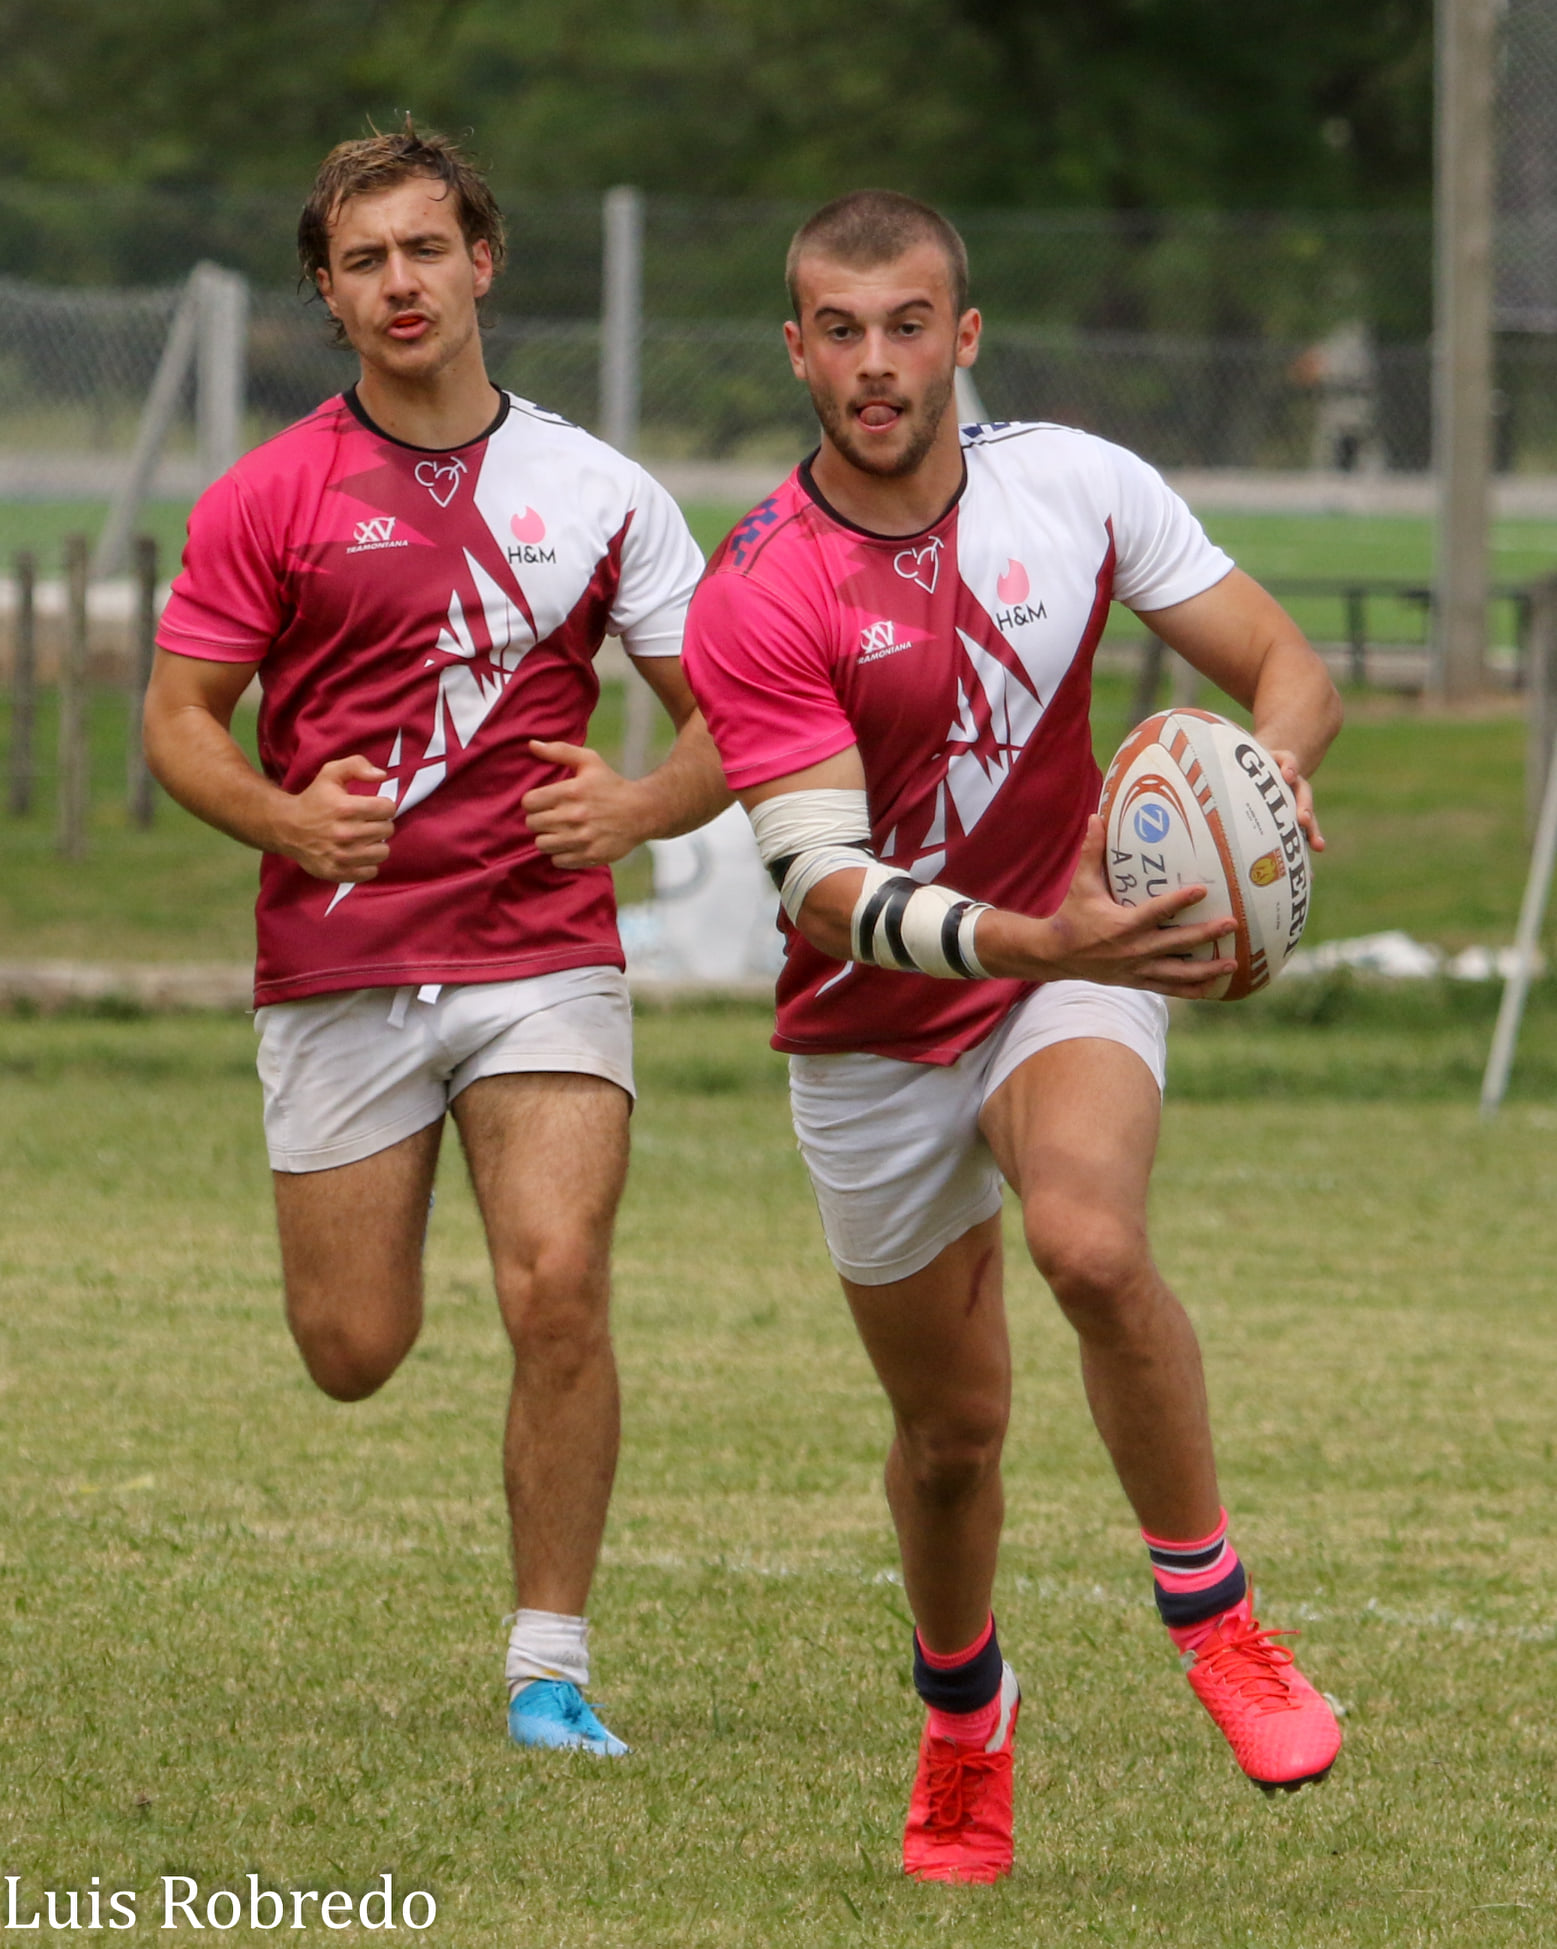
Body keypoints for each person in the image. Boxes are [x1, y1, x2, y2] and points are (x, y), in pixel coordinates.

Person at [681, 190, 1345, 1883]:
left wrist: (1266, 792)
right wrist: (1019, 930)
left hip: (1078, 950)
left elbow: (1279, 660)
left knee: (1092, 1242)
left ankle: (1215, 1615)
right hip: (872, 1021)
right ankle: (964, 1712)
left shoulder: (1081, 485)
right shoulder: (759, 591)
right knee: (952, 1434)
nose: (877, 361)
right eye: (840, 329)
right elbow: (823, 884)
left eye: (909, 324)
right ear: (797, 348)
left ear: (962, 337)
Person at [143, 124, 728, 1759]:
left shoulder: (602, 491)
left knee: (558, 1283)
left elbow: (732, 725)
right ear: (328, 296)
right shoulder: (271, 493)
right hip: (339, 960)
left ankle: (550, 1666)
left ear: (483, 260)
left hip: (540, 946)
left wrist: (638, 808)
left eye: (426, 247)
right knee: (352, 1348)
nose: (401, 281)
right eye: (364, 259)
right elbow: (180, 721)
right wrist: (281, 817)